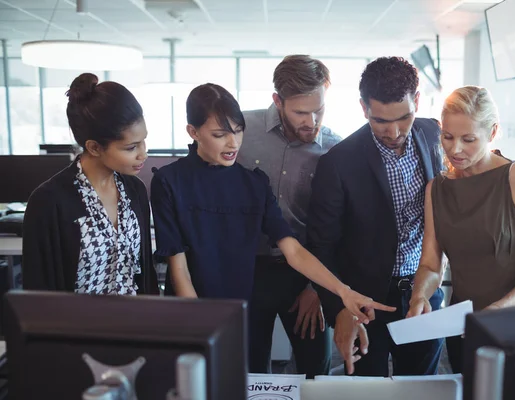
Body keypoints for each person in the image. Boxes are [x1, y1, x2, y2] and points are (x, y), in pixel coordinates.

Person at [150, 83, 394, 326]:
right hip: (191, 313)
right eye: (220, 135)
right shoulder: (169, 182)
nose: (233, 143)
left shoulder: (253, 183)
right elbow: (178, 269)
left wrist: (343, 291)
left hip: (240, 309)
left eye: (238, 131)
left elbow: (294, 251)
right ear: (193, 132)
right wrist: (201, 324)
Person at [307, 56, 444, 377]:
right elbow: (322, 246)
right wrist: (340, 308)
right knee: (368, 387)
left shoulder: (434, 134)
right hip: (365, 302)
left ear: (418, 102)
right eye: (381, 120)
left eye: (404, 117)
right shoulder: (338, 163)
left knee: (423, 387)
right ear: (363, 108)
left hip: (423, 293)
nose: (394, 131)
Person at [406, 85, 515, 373]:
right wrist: (420, 296)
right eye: (447, 137)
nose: (455, 149)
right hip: (466, 327)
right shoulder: (436, 188)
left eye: (469, 139)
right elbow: (430, 264)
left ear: (493, 132)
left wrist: (500, 309)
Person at [236, 55, 339, 378]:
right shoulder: (238, 130)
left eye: (318, 109)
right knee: (250, 372)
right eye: (300, 112)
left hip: (304, 276)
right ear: (277, 101)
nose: (312, 121)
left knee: (316, 371)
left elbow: (337, 228)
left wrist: (316, 287)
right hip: (246, 273)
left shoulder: (335, 149)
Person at [22, 73, 159, 295]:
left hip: (135, 324)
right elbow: (38, 291)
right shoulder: (49, 201)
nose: (143, 154)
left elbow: (145, 275)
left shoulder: (135, 190)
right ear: (94, 147)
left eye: (143, 141)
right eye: (131, 147)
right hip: (76, 327)